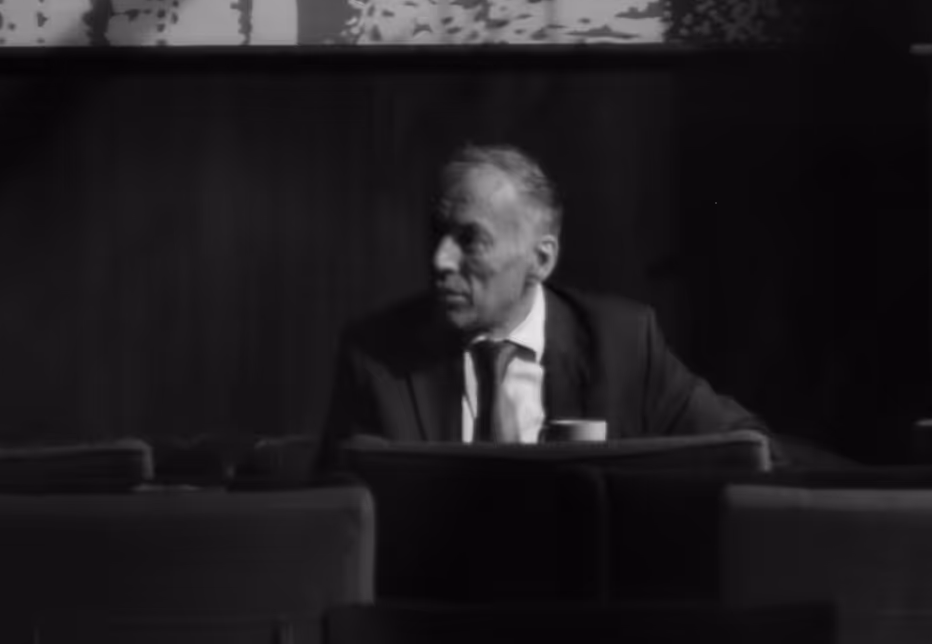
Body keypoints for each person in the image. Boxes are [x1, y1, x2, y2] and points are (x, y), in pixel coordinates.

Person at [319, 143, 770, 459]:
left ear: (540, 259)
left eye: (470, 240)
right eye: (438, 234)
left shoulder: (623, 344)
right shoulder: (376, 357)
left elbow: (745, 446)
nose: (440, 260)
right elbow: (338, 516)